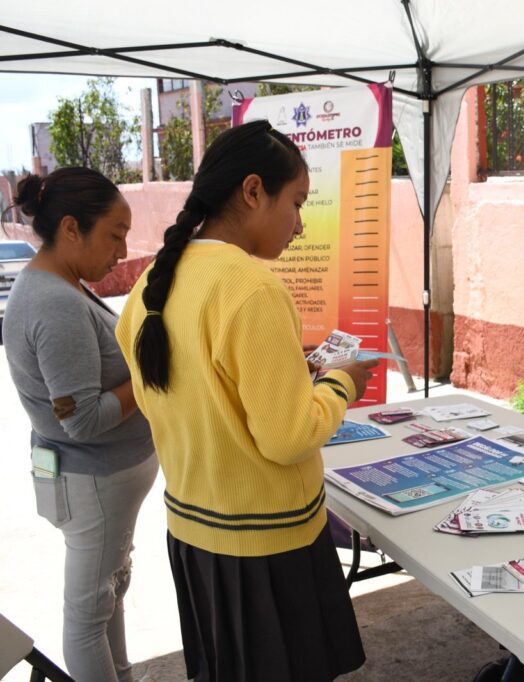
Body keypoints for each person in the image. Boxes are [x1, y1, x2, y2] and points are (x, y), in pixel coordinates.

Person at [115, 120, 376, 680]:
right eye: (297, 203)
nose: (300, 226)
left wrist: (285, 377)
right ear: (253, 191)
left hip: (194, 534)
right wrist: (341, 382)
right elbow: (286, 439)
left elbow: (186, 397)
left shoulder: (150, 285)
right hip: (266, 547)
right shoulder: (251, 287)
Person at [2, 168, 157, 681]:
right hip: (93, 480)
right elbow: (83, 420)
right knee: (89, 615)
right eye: (114, 234)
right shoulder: (55, 302)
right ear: (71, 228)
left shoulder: (63, 283)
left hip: (101, 482)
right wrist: (151, 376)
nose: (121, 249)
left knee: (106, 596)